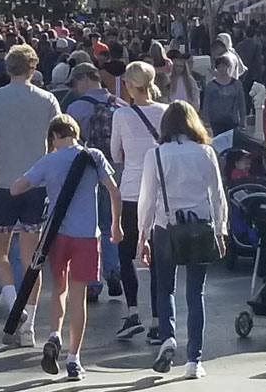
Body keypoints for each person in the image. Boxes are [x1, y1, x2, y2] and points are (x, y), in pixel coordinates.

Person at [12, 115, 122, 382]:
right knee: (79, 296)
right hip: (86, 235)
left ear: (53, 137)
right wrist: (116, 225)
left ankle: (54, 334)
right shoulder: (93, 156)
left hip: (57, 234)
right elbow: (114, 190)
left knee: (58, 289)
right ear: (76, 132)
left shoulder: (49, 160)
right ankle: (74, 359)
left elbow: (17, 189)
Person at [0, 44, 61, 347]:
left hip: (3, 184)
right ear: (33, 68)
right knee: (31, 259)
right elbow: (58, 142)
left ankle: (13, 305)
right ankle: (30, 326)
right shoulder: (48, 99)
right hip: (36, 185)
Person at [138, 101, 228, 379]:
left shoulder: (156, 154)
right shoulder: (206, 152)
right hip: (200, 227)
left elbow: (147, 199)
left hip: (166, 227)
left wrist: (142, 236)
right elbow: (218, 195)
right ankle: (194, 361)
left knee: (165, 288)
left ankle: (168, 338)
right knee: (195, 293)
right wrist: (220, 231)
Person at [110, 62, 168, 343]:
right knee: (156, 257)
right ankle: (159, 319)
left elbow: (115, 155)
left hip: (132, 189)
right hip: (159, 192)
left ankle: (133, 311)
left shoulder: (121, 114)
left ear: (131, 86)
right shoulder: (166, 112)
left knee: (126, 252)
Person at [64, 63, 123, 302]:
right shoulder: (120, 104)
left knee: (90, 225)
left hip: (86, 172)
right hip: (116, 170)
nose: (76, 88)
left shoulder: (75, 108)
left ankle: (93, 281)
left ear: (86, 79)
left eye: (76, 82)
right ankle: (114, 267)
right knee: (111, 222)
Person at [202, 56, 247, 135]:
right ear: (216, 68)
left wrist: (243, 121)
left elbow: (241, 103)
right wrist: (206, 122)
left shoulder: (237, 84)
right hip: (215, 121)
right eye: (219, 66)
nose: (222, 69)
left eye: (224, 66)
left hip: (232, 121)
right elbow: (206, 104)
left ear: (228, 66)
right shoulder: (211, 85)